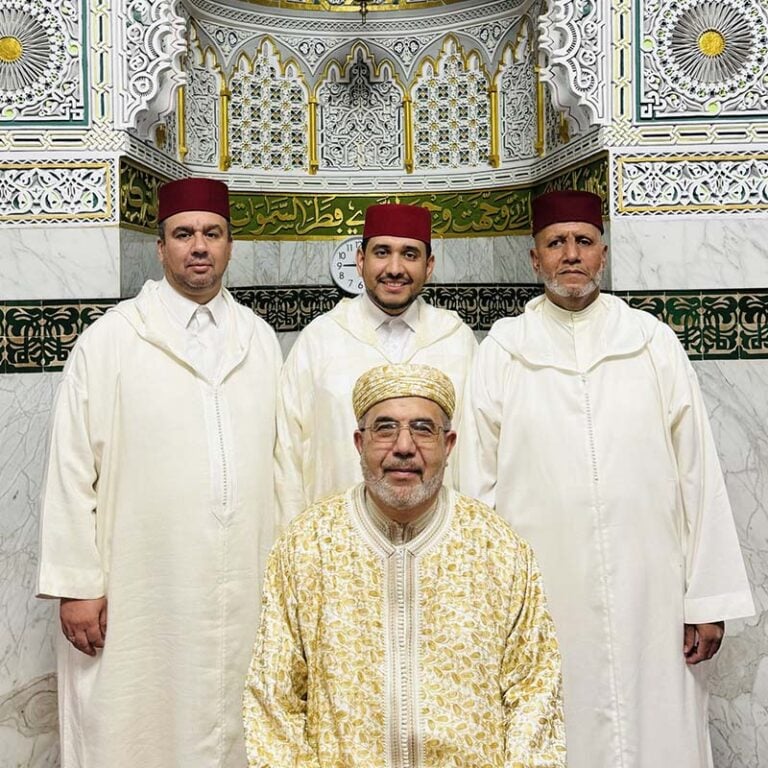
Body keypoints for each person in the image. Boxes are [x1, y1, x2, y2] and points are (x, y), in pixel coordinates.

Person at [460, 189, 754, 768]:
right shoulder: (503, 351)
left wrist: (707, 597)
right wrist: (488, 606)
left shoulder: (651, 342)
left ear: (604, 253)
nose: (571, 254)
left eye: (584, 242)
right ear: (535, 259)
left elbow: (698, 474)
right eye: (556, 242)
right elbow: (476, 488)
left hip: (653, 590)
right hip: (544, 593)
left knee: (658, 727)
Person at [36, 177, 282, 768]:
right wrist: (75, 583)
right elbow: (71, 467)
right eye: (184, 234)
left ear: (230, 245)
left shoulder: (260, 339)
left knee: (234, 717)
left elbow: (283, 462)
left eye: (212, 233)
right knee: (136, 718)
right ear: (160, 247)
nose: (199, 246)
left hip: (241, 578)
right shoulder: (111, 341)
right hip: (142, 583)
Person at [244, 363, 566, 768]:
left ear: (448, 445)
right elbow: (274, 699)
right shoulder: (307, 546)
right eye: (385, 428)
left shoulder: (498, 549)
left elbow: (534, 693)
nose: (403, 447)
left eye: (422, 429)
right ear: (359, 443)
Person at [275, 202, 477, 525]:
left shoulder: (456, 341)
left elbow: (475, 455)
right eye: (382, 252)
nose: (394, 268)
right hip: (337, 543)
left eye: (410, 254)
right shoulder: (319, 340)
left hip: (440, 547)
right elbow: (287, 456)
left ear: (429, 266)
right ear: (360, 260)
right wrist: (295, 545)